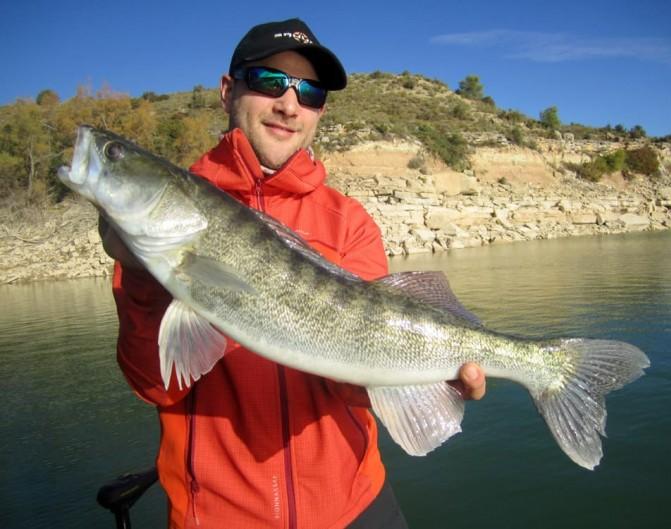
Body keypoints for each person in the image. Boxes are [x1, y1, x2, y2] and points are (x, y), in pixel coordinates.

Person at [100, 17, 486, 529]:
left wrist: (430, 377)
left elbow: (357, 379)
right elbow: (156, 384)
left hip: (358, 510)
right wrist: (145, 274)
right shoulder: (169, 222)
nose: (289, 104)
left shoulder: (349, 222)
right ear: (226, 90)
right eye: (268, 82)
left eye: (310, 92)